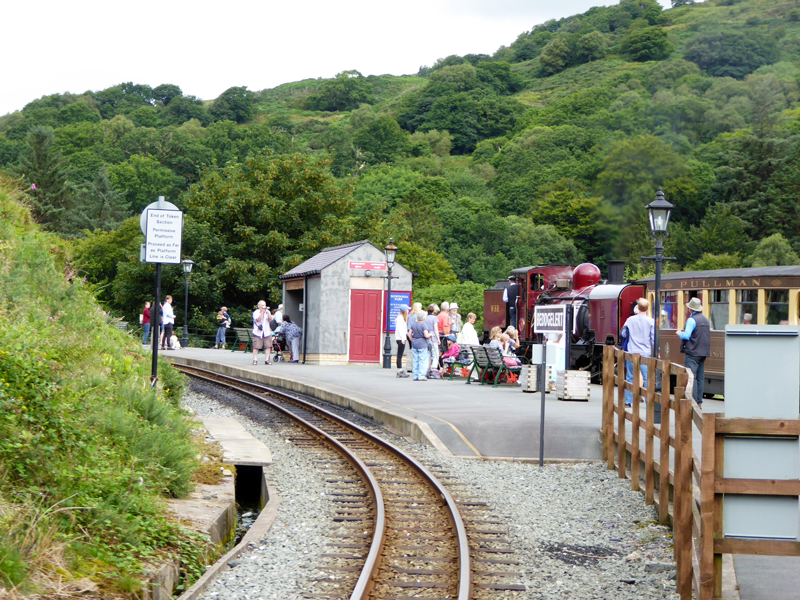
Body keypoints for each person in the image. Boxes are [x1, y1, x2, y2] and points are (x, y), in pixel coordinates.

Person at [620, 298, 654, 406]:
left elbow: (623, 334)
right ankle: (649, 400)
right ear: (648, 309)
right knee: (646, 376)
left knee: (630, 376)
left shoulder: (630, 320)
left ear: (638, 308)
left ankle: (628, 401)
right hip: (645, 352)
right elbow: (653, 338)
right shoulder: (651, 321)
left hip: (632, 351)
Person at [678, 296, 710, 405]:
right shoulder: (705, 319)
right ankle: (699, 402)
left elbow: (686, 336)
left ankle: (694, 402)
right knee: (700, 378)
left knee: (692, 377)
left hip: (693, 352)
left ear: (690, 309)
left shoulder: (691, 320)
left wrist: (679, 333)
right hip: (703, 352)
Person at [408, 310, 432, 381]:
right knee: (422, 360)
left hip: (415, 343)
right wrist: (430, 335)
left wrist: (413, 340)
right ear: (424, 318)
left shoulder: (413, 324)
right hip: (422, 344)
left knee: (415, 360)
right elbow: (426, 335)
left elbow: (409, 334)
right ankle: (421, 376)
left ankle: (415, 376)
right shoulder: (424, 325)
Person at [252, 301, 273, 365]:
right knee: (256, 347)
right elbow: (258, 319)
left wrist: (268, 313)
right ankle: (255, 360)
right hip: (258, 333)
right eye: (262, 305)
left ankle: (267, 360)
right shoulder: (256, 312)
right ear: (259, 306)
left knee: (268, 346)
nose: (263, 306)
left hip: (266, 332)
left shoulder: (267, 311)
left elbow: (271, 319)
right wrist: (262, 312)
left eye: (264, 305)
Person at [394, 305, 410, 378]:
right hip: (401, 338)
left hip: (400, 338)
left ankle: (399, 370)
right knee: (399, 355)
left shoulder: (401, 318)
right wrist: (403, 339)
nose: (408, 311)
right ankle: (399, 370)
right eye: (407, 310)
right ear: (404, 311)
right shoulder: (400, 319)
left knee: (400, 354)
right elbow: (401, 330)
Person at [425, 305, 441, 374]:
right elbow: (436, 329)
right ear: (433, 311)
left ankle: (426, 369)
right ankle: (434, 368)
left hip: (426, 337)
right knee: (435, 354)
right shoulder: (434, 318)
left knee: (428, 354)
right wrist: (438, 339)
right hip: (433, 337)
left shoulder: (425, 318)